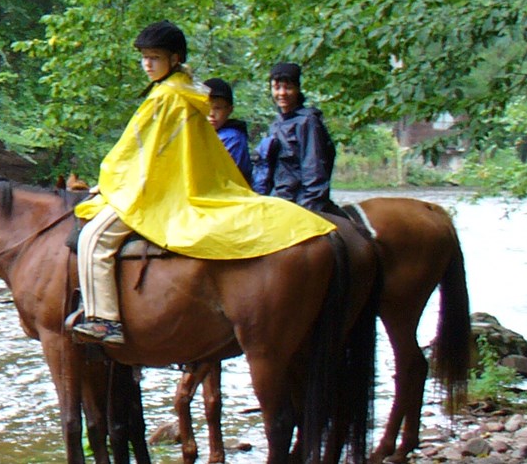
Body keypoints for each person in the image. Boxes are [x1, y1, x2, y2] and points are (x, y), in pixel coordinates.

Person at [69, 21, 334, 346]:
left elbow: (135, 153)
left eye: (154, 57)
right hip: (177, 185)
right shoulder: (186, 91)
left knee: (93, 239)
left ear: (174, 58)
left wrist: (108, 184)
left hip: (159, 192)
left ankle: (103, 320)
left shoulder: (166, 97)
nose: (147, 64)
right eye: (144, 57)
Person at [257, 62, 340, 215]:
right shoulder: (276, 124)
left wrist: (306, 211)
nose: (282, 93)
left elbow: (315, 169)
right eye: (277, 88)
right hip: (278, 201)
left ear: (297, 89)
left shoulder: (308, 121)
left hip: (300, 204)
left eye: (288, 87)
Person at [202, 78, 253, 180]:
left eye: (217, 108)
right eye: (207, 107)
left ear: (229, 110)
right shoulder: (203, 133)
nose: (211, 114)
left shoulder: (232, 138)